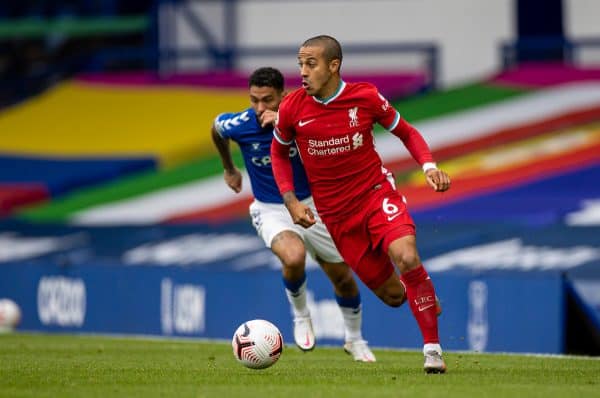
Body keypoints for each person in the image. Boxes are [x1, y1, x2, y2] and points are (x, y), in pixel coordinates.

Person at [271, 36, 451, 373]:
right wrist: (290, 200)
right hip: (337, 217)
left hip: (375, 194)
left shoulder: (364, 97)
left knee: (407, 256)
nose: (303, 72)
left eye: (311, 64)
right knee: (395, 296)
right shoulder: (293, 107)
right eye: (300, 64)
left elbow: (407, 132)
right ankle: (421, 289)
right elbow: (278, 152)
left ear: (333, 65)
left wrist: (429, 166)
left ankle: (432, 350)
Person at [211, 66, 379, 362]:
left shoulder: (303, 119)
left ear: (283, 96)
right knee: (293, 256)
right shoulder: (239, 124)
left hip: (315, 206)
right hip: (271, 208)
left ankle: (355, 339)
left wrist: (287, 125)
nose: (260, 107)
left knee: (343, 278)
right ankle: (301, 314)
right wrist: (229, 168)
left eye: (268, 100)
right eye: (254, 100)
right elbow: (216, 129)